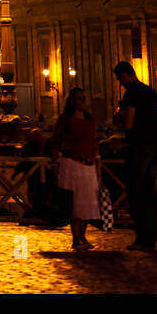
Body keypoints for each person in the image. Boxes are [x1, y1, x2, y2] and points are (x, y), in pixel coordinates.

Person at [114, 61, 157, 250]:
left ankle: (141, 239)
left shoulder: (132, 93)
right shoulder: (150, 92)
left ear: (126, 75)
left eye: (120, 79)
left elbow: (128, 124)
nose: (120, 83)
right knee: (149, 193)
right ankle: (151, 237)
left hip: (138, 146)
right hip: (154, 146)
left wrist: (119, 115)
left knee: (136, 192)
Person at [51, 87, 100, 250]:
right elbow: (56, 140)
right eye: (79, 99)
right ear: (72, 101)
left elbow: (94, 142)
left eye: (84, 99)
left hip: (88, 164)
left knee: (87, 203)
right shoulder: (65, 119)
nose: (82, 102)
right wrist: (54, 162)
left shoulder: (90, 119)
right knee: (74, 203)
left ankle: (83, 236)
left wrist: (97, 163)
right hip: (71, 164)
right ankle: (75, 238)